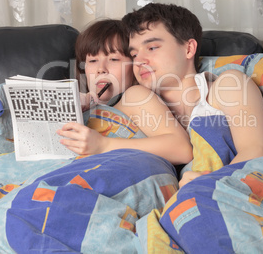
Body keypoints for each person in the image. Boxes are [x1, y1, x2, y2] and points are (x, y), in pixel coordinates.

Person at [122, 3, 263, 186]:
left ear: (189, 49)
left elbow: (256, 150)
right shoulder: (135, 104)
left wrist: (208, 183)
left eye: (152, 47)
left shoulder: (227, 86)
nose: (139, 61)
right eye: (134, 54)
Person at [56, 19, 193, 165]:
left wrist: (103, 145)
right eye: (92, 60)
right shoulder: (84, 105)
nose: (101, 69)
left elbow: (182, 149)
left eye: (114, 59)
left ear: (135, 66)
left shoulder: (135, 96)